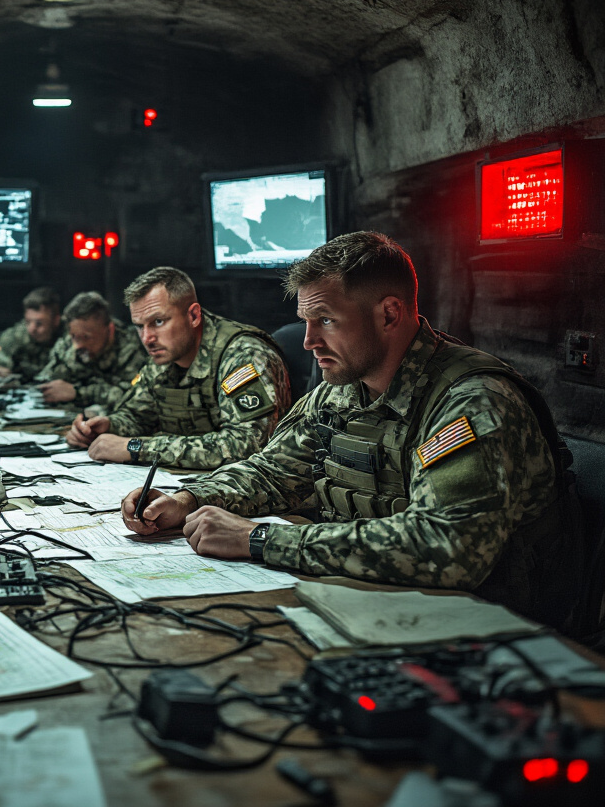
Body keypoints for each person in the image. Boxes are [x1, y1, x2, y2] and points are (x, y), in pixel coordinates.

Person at [120, 232, 584, 628]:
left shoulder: (471, 401)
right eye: (306, 321)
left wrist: (260, 539)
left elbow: (446, 548)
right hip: (376, 602)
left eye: (325, 321)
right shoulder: (341, 389)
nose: (308, 342)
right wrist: (189, 499)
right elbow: (271, 471)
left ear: (389, 314)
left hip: (491, 633)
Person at [66, 267, 292, 469]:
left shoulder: (242, 355)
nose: (147, 338)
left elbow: (247, 445)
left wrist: (137, 448)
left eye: (158, 322)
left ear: (193, 315)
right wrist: (106, 426)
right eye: (139, 326)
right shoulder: (164, 355)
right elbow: (137, 416)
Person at [36, 291, 146, 409]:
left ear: (110, 329)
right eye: (74, 336)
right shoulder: (67, 344)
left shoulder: (132, 348)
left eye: (86, 337)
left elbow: (134, 396)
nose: (78, 345)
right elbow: (48, 378)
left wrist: (78, 393)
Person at [0, 286, 64, 380]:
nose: (31, 329)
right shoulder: (15, 335)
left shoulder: (73, 337)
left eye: (39, 323)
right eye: (27, 321)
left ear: (56, 320)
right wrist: (0, 370)